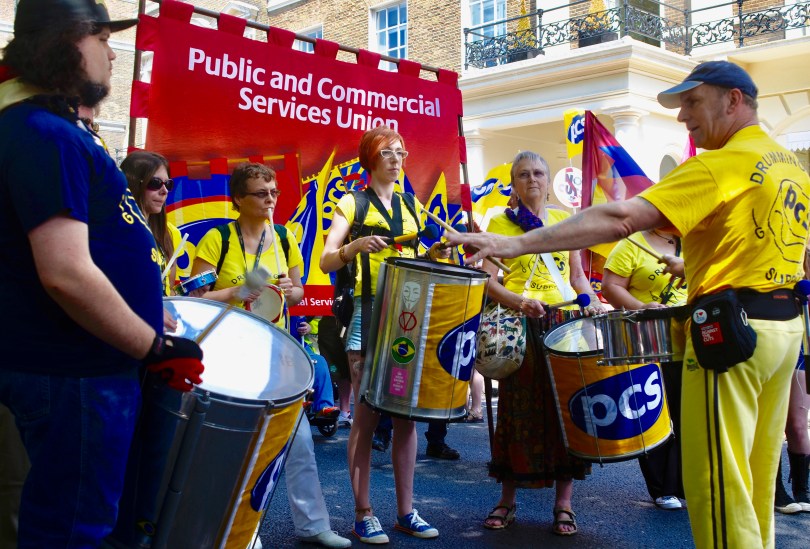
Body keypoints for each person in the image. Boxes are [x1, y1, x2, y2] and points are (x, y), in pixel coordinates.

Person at [448, 61, 810, 549]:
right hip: (783, 331)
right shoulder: (788, 163)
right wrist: (693, 265)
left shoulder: (721, 164)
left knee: (719, 485)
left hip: (730, 339)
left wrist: (513, 244)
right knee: (757, 476)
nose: (682, 115)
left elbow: (621, 218)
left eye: (692, 101)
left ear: (733, 100)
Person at [0, 2, 204, 547]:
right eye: (102, 39)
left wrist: (145, 313)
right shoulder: (44, 132)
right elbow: (65, 272)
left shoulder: (54, 129)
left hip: (85, 371)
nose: (113, 54)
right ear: (66, 42)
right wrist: (154, 347)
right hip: (76, 372)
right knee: (73, 532)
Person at [190, 163, 350, 549]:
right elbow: (196, 299)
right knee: (234, 446)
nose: (271, 200)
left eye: (274, 192)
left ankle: (313, 525)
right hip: (229, 353)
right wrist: (236, 291)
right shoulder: (217, 239)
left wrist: (290, 291)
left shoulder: (283, 236)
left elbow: (297, 292)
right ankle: (239, 532)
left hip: (276, 352)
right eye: (261, 193)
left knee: (299, 440)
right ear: (238, 198)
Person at [320, 125, 439, 544]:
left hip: (406, 313)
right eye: (388, 152)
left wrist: (435, 253)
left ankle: (407, 512)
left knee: (406, 416)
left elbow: (419, 257)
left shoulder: (411, 204)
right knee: (367, 415)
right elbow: (326, 260)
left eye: (401, 152)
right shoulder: (351, 202)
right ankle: (363, 513)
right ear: (371, 158)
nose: (397, 159)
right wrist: (354, 247)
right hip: (367, 312)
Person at [476, 151, 601, 536]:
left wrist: (591, 300)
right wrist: (518, 302)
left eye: (538, 173)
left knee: (565, 413)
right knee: (516, 411)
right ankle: (506, 499)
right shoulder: (499, 222)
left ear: (548, 181)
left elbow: (577, 277)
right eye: (524, 174)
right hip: (520, 325)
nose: (532, 179)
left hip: (563, 324)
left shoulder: (566, 221)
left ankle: (564, 504)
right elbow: (487, 281)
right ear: (513, 183)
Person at [601, 231, 687, 510]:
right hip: (649, 343)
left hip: (693, 341)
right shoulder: (632, 243)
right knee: (655, 414)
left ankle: (687, 484)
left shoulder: (695, 238)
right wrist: (643, 308)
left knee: (688, 416)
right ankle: (664, 488)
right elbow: (610, 287)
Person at [292, 316, 341, 419]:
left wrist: (308, 328)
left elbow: (304, 320)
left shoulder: (294, 309)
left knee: (320, 361)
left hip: (299, 345)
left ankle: (324, 407)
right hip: (277, 346)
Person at [317, 315, 354, 426]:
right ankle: (333, 410)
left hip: (350, 318)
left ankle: (346, 413)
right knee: (332, 367)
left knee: (352, 368)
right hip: (328, 319)